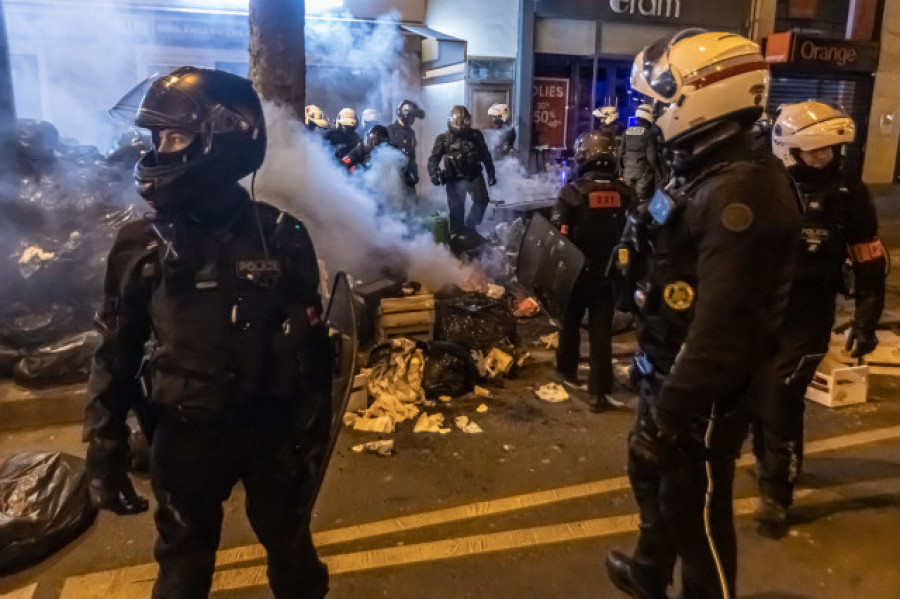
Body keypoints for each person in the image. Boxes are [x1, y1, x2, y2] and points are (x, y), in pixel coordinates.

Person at [83, 66, 332, 599]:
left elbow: (315, 351)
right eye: (156, 138)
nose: (160, 152)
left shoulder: (283, 236)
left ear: (225, 139)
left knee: (294, 557)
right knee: (182, 569)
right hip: (185, 436)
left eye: (175, 136)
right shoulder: (140, 244)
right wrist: (104, 445)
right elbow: (115, 349)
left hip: (271, 432)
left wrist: (310, 436)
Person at [604, 30, 799, 599]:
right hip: (670, 363)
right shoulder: (705, 163)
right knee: (653, 478)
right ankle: (648, 572)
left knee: (696, 509)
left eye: (660, 102)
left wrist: (670, 414)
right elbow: (669, 233)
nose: (651, 113)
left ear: (702, 98)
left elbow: (723, 329)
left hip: (708, 390)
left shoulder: (745, 192)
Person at [750, 101, 885, 537]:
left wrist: (866, 318)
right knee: (756, 392)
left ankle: (776, 494)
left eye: (831, 149)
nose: (825, 157)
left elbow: (867, 254)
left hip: (810, 311)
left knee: (782, 396)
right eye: (815, 150)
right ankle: (772, 461)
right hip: (762, 306)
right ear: (789, 148)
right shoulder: (761, 181)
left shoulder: (848, 191)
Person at [551, 130, 632, 413]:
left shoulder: (572, 192)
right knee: (600, 333)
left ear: (583, 155)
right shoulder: (625, 192)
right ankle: (599, 392)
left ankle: (566, 371)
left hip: (577, 273)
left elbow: (557, 231)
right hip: (608, 274)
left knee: (570, 324)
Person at [427, 105, 497, 234]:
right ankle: (457, 240)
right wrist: (433, 174)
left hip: (473, 175)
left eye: (462, 125)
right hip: (453, 179)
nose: (459, 128)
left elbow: (485, 155)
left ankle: (470, 226)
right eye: (457, 125)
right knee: (456, 212)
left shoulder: (476, 135)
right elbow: (433, 159)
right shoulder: (443, 139)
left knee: (482, 200)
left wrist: (491, 173)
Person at [618, 103, 665, 203]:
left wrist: (621, 168)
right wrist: (659, 172)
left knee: (628, 201)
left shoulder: (627, 131)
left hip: (627, 174)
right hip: (642, 175)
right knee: (641, 203)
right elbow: (651, 157)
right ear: (648, 116)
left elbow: (620, 152)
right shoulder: (648, 134)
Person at [387, 99, 425, 193]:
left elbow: (412, 155)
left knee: (412, 202)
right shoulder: (390, 130)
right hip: (393, 174)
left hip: (407, 175)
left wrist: (415, 173)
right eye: (411, 117)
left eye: (414, 117)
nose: (413, 120)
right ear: (405, 116)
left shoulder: (411, 132)